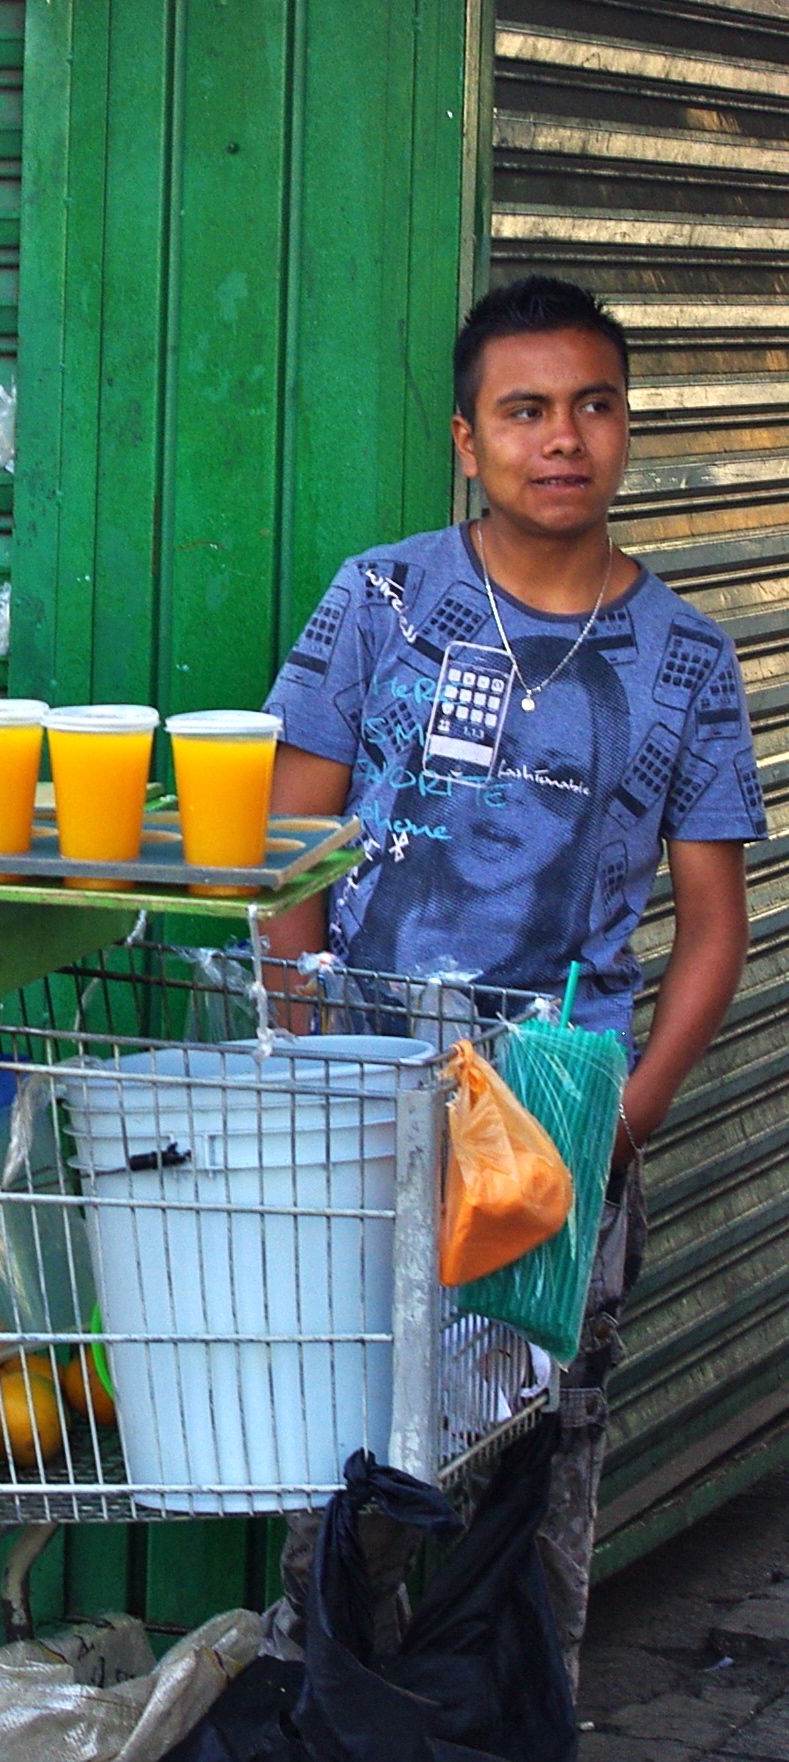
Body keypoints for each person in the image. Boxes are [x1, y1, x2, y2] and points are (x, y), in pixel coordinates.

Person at [261, 274, 765, 1686]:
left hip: (558, 1102)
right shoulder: (382, 600)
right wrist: (310, 1049)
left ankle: (508, 1715)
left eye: (592, 407)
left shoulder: (686, 660)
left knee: (538, 1466)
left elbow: (713, 925)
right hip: (367, 1086)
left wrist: (624, 1118)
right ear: (466, 440)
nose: (562, 439)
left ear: (625, 428)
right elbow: (285, 854)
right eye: (524, 410)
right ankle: (334, 1706)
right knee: (347, 1458)